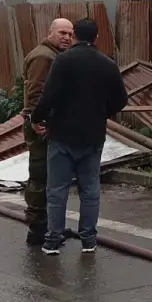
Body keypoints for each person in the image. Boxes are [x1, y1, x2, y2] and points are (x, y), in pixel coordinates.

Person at [31, 17, 127, 255]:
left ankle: (52, 240)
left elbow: (49, 95)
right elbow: (121, 100)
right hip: (93, 136)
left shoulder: (63, 61)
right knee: (90, 190)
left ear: (74, 36)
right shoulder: (108, 64)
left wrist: (36, 118)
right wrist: (103, 112)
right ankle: (89, 240)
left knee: (57, 191)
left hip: (62, 135)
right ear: (96, 38)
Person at [22, 18, 73, 246]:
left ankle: (49, 225)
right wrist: (37, 119)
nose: (67, 37)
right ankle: (37, 229)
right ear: (50, 32)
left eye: (70, 34)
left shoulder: (53, 55)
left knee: (50, 175)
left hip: (47, 122)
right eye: (62, 32)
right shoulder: (44, 56)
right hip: (41, 124)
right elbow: (36, 91)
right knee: (41, 174)